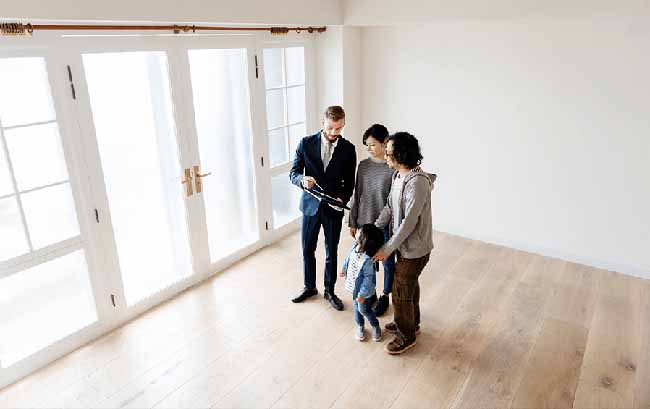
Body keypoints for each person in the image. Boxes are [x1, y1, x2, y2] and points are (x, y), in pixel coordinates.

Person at [373, 132, 436, 355]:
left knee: (400, 289)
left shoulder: (417, 183)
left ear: (401, 155)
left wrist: (386, 249)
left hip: (415, 249)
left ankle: (405, 334)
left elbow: (409, 222)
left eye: (389, 153)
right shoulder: (398, 176)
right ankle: (412, 323)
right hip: (403, 246)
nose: (385, 156)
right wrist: (375, 227)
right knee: (409, 285)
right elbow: (390, 207)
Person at [289, 106, 357, 310]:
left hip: (333, 209)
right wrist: (302, 180)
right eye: (330, 128)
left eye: (339, 129)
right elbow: (293, 173)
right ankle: (309, 287)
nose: (334, 133)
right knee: (307, 249)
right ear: (323, 123)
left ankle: (330, 290)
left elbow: (350, 183)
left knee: (331, 252)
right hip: (310, 206)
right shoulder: (305, 143)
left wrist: (341, 198)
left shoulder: (348, 149)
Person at [347, 124, 395, 317]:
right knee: (368, 262)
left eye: (372, 145)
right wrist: (352, 221)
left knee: (388, 263)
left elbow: (392, 203)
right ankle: (372, 292)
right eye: (367, 145)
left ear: (385, 143)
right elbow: (357, 194)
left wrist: (381, 225)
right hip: (364, 224)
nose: (369, 149)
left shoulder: (393, 168)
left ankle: (385, 295)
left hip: (384, 226)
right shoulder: (363, 166)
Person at [340, 224, 384, 342]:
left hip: (363, 293)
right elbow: (348, 258)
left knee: (364, 309)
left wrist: (362, 294)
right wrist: (344, 268)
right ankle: (360, 325)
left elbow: (368, 280)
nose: (357, 231)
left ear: (364, 239)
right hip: (354, 287)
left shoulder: (368, 260)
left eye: (360, 231)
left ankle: (375, 325)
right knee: (356, 307)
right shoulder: (355, 246)